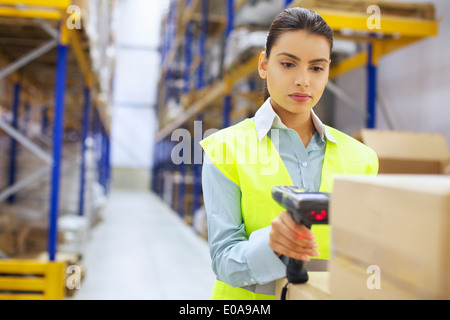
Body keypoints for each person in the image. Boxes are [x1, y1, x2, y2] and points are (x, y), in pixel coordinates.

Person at [200, 7, 378, 300]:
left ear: (328, 71)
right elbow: (223, 259)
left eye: (317, 68)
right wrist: (270, 244)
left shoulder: (362, 159)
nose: (303, 80)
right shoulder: (224, 150)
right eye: (288, 64)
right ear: (264, 65)